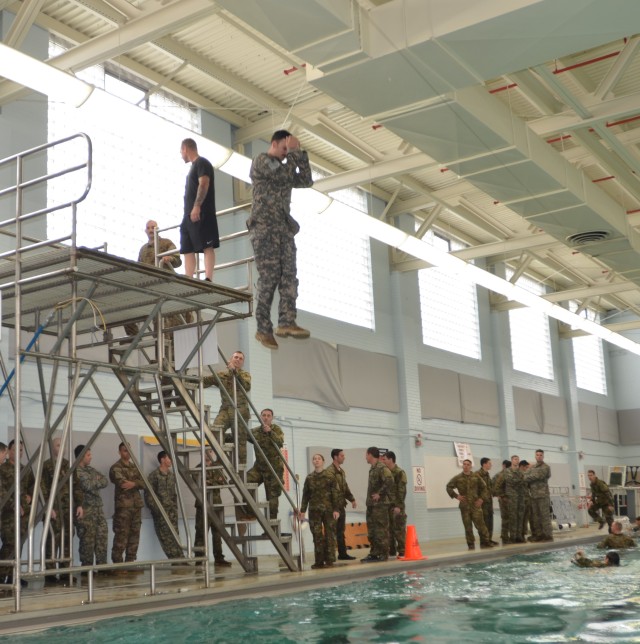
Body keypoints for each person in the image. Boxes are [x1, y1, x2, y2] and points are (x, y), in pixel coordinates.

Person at [248, 129, 314, 350]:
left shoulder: (285, 165)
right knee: (269, 277)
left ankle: (287, 321)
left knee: (289, 275)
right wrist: (294, 152)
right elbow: (282, 175)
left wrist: (299, 154)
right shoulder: (262, 161)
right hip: (265, 228)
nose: (287, 155)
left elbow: (306, 180)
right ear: (274, 144)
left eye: (289, 150)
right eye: (285, 149)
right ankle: (263, 327)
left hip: (283, 228)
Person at [41, 437, 84, 585]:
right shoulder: (46, 466)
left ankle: (65, 572)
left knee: (67, 541)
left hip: (68, 510)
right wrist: (48, 507)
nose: (61, 448)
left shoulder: (69, 466)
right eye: (58, 445)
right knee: (52, 541)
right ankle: (50, 573)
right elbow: (42, 488)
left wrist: (79, 504)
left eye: (63, 445)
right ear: (53, 448)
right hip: (54, 511)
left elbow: (77, 486)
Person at [180, 138, 218, 281]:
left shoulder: (202, 163)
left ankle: (208, 277)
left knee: (207, 245)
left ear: (185, 148)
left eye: (181, 152)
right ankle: (189, 277)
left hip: (202, 212)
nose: (181, 155)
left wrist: (197, 206)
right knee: (186, 246)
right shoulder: (192, 168)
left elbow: (204, 183)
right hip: (188, 215)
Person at [203, 351, 251, 465]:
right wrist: (188, 378)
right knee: (215, 431)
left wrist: (235, 372)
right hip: (226, 409)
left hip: (240, 410)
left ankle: (240, 468)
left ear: (242, 363)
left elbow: (247, 386)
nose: (238, 359)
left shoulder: (245, 375)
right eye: (235, 357)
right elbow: (205, 381)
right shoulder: (222, 375)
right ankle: (221, 459)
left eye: (240, 358)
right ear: (230, 359)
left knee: (240, 441)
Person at [0, 440, 35, 586]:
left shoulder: (24, 469)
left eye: (21, 450)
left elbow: (33, 485)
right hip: (8, 514)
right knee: (9, 544)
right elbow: (2, 492)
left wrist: (30, 496)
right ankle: (2, 576)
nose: (19, 452)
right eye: (15, 449)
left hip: (23, 514)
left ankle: (14, 575)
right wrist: (14, 504)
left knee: (18, 544)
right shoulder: (3, 468)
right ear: (8, 451)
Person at [298, 454, 340, 569]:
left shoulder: (330, 476)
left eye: (318, 459)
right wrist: (302, 510)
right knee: (317, 535)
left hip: (328, 510)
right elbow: (305, 495)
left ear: (323, 461)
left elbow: (336, 493)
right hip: (314, 511)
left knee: (329, 535)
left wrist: (336, 509)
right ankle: (319, 561)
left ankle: (330, 560)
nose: (316, 461)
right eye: (314, 459)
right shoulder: (309, 478)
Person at [109, 442, 145, 569]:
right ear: (119, 452)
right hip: (123, 508)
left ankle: (130, 564)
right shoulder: (115, 467)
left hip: (136, 506)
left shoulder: (135, 467)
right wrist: (137, 483)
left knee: (135, 535)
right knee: (121, 535)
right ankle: (118, 565)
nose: (127, 453)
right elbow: (122, 483)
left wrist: (134, 483)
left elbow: (145, 483)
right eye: (125, 450)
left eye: (129, 450)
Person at [245, 409, 285, 522]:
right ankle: (250, 512)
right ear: (260, 417)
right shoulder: (256, 431)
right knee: (245, 482)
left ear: (272, 418)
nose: (266, 418)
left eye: (268, 416)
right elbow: (243, 435)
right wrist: (223, 435)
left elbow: (280, 441)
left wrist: (270, 432)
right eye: (264, 415)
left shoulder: (276, 429)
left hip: (274, 470)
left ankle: (272, 525)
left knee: (272, 499)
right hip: (259, 468)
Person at [194, 449, 231, 567]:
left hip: (216, 505)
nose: (208, 454)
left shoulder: (216, 467)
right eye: (205, 452)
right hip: (203, 505)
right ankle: (199, 560)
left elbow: (224, 481)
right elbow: (202, 484)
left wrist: (211, 481)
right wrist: (216, 481)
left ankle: (219, 558)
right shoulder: (197, 468)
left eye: (210, 451)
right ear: (201, 454)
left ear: (213, 453)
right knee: (201, 533)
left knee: (217, 533)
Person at [74, 445, 109, 571]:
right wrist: (95, 481)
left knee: (102, 537)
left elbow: (105, 481)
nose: (91, 457)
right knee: (87, 541)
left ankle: (102, 568)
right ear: (81, 456)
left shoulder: (91, 470)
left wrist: (94, 481)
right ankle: (87, 570)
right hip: (85, 511)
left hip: (98, 510)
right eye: (88, 455)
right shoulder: (75, 471)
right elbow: (86, 485)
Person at [446, 459, 493, 550]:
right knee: (468, 527)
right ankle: (470, 544)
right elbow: (448, 487)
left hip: (476, 505)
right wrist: (456, 496)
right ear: (462, 466)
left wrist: (481, 499)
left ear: (471, 466)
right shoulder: (458, 478)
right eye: (464, 464)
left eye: (468, 464)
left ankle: (486, 541)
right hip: (465, 506)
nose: (466, 466)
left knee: (481, 525)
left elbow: (484, 488)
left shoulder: (476, 476)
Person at [145, 451, 183, 560]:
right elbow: (148, 496)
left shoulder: (171, 475)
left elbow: (174, 494)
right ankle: (175, 560)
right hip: (161, 513)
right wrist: (157, 511)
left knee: (175, 536)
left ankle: (181, 559)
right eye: (169, 458)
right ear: (162, 460)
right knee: (165, 537)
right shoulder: (154, 475)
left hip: (172, 512)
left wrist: (175, 508)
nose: (171, 460)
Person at [361, 447, 394, 563]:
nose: (365, 457)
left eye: (366, 455)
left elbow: (390, 480)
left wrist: (380, 493)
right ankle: (374, 553)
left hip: (380, 505)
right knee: (372, 531)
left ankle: (383, 554)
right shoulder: (373, 468)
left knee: (381, 530)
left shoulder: (381, 467)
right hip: (371, 505)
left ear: (370, 455)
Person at [326, 449, 357, 561]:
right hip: (333, 507)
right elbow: (329, 491)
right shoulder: (329, 472)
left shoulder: (341, 471)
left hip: (341, 506)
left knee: (340, 531)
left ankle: (342, 554)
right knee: (332, 532)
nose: (344, 457)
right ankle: (329, 556)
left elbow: (345, 487)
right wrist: (334, 507)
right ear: (335, 457)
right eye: (342, 455)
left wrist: (352, 499)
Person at [380, 451, 407, 558]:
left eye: (384, 459)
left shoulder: (399, 472)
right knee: (389, 529)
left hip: (397, 505)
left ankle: (402, 550)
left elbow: (402, 491)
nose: (383, 461)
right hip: (388, 505)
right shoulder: (386, 473)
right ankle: (392, 550)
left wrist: (398, 506)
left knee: (399, 529)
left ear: (391, 459)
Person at [525, 449, 553, 542]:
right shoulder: (532, 468)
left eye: (540, 455)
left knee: (544, 516)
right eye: (537, 455)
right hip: (533, 495)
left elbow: (538, 476)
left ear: (543, 456)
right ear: (535, 456)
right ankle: (539, 535)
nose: (539, 456)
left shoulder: (545, 467)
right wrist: (527, 477)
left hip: (543, 495)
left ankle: (548, 536)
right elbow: (525, 476)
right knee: (535, 517)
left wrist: (527, 477)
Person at [503, 455, 525, 544]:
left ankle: (519, 536)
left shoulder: (521, 472)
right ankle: (513, 536)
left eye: (518, 460)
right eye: (515, 459)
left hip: (520, 496)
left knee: (520, 516)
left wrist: (521, 480)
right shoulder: (507, 471)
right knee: (513, 517)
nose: (517, 461)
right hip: (512, 497)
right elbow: (511, 480)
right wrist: (520, 480)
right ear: (512, 461)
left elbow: (525, 481)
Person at [476, 457, 498, 546]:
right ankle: (484, 541)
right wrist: (478, 499)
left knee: (489, 522)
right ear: (484, 464)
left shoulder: (487, 474)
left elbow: (489, 488)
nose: (491, 465)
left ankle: (489, 539)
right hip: (482, 503)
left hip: (489, 502)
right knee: (483, 523)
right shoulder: (477, 475)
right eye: (489, 463)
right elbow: (474, 489)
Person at [493, 459, 512, 544]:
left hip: (511, 499)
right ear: (503, 466)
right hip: (504, 499)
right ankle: (504, 536)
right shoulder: (499, 475)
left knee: (509, 518)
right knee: (505, 518)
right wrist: (499, 495)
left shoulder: (509, 474)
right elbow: (492, 485)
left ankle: (506, 535)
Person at [519, 460, 532, 539]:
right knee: (521, 518)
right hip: (520, 500)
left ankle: (523, 534)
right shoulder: (517, 474)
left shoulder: (526, 475)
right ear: (522, 467)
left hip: (527, 499)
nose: (527, 469)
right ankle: (519, 535)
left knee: (526, 518)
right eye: (526, 467)